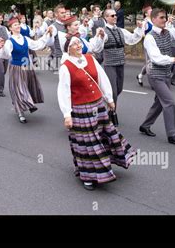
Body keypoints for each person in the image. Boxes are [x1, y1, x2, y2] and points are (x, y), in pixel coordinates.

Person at [57, 36, 136, 191]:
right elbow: (63, 91)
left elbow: (102, 79)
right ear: (68, 49)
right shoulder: (65, 67)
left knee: (105, 136)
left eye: (79, 42)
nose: (78, 45)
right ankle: (88, 175)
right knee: (88, 144)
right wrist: (67, 115)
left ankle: (108, 162)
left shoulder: (90, 59)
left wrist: (109, 98)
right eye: (74, 44)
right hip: (81, 109)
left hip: (98, 105)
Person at [139, 8, 175, 145]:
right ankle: (172, 134)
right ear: (153, 19)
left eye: (165, 17)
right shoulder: (149, 37)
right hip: (155, 75)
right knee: (169, 102)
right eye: (161, 17)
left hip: (166, 74)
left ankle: (145, 125)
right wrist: (174, 59)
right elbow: (156, 58)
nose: (164, 20)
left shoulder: (168, 32)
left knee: (159, 103)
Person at [0, 18, 54, 123]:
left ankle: (28, 103)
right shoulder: (9, 41)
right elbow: (6, 54)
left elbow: (37, 44)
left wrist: (46, 34)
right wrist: (1, 47)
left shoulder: (25, 38)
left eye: (18, 24)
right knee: (19, 89)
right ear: (10, 28)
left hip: (27, 66)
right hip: (16, 67)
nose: (18, 26)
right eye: (15, 25)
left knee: (28, 86)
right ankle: (21, 112)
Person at [102, 9, 144, 113]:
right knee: (113, 91)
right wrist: (100, 37)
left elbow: (132, 39)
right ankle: (112, 114)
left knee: (119, 88)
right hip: (110, 64)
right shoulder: (104, 32)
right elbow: (98, 45)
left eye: (115, 15)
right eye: (112, 15)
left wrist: (138, 29)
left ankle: (107, 105)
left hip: (120, 63)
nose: (115, 17)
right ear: (106, 18)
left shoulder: (121, 31)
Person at [136, 5, 153, 87]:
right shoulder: (145, 22)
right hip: (148, 44)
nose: (152, 11)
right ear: (146, 13)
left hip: (155, 44)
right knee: (149, 63)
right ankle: (152, 83)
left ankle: (140, 75)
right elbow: (142, 34)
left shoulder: (154, 20)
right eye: (150, 11)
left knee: (152, 62)